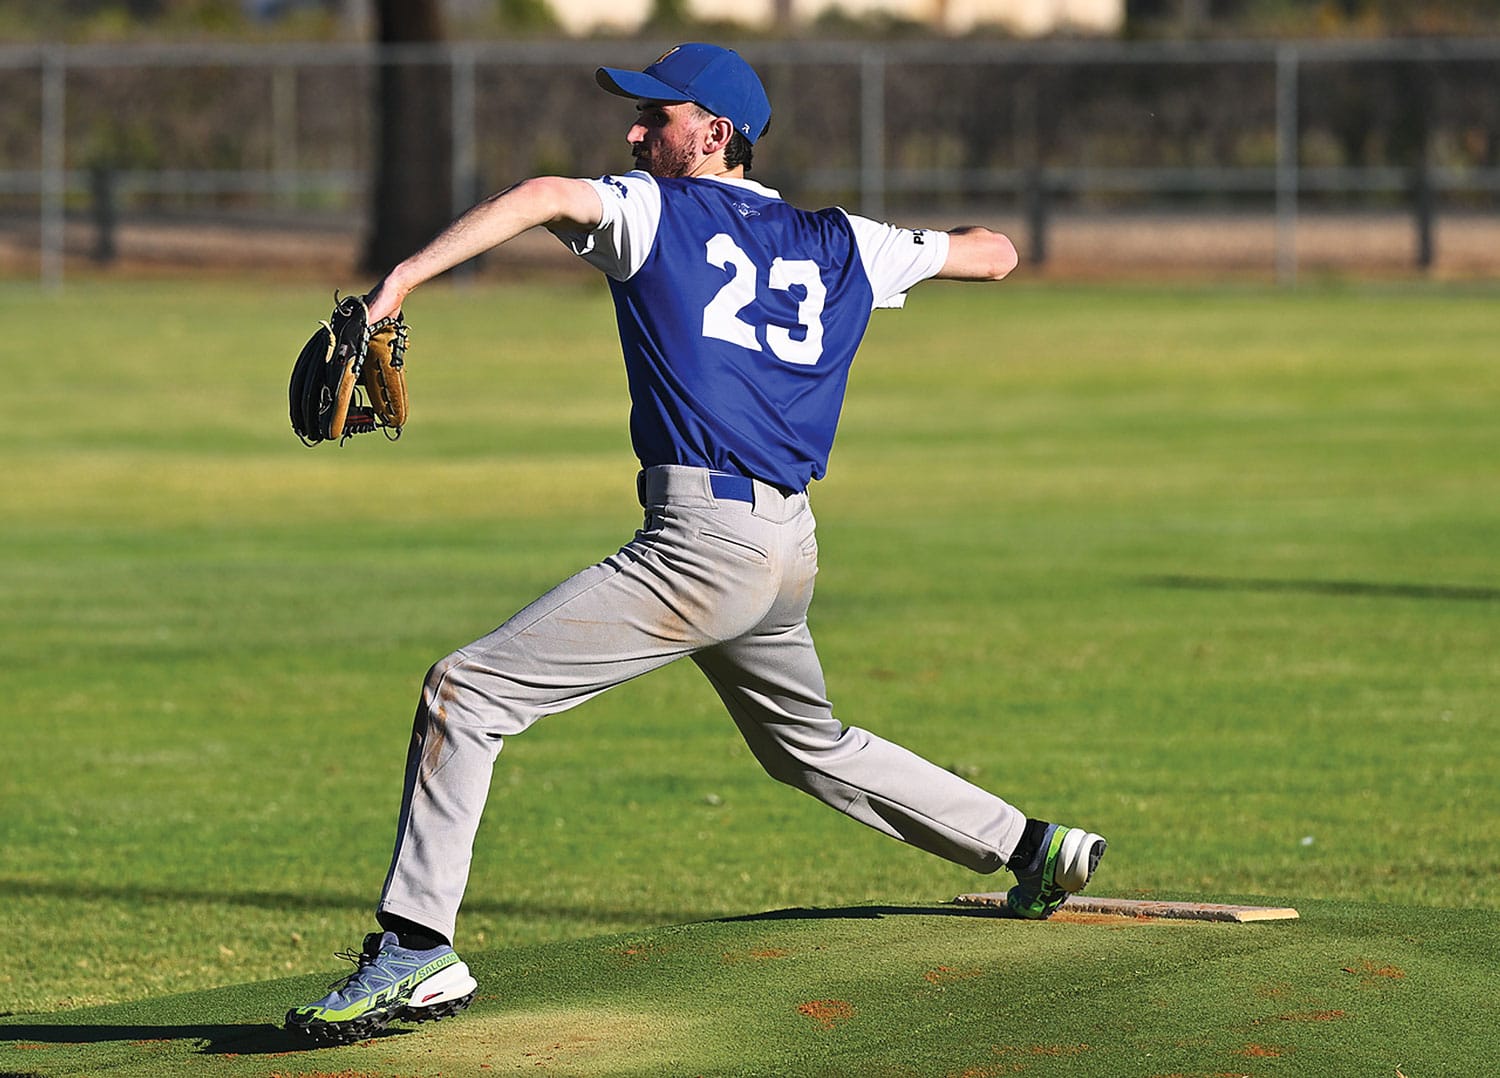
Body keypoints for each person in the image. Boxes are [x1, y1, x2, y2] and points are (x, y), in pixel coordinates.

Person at [285, 43, 1106, 1046]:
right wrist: (935, 241)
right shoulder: (842, 239)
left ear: (713, 134)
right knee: (810, 747)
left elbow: (546, 193)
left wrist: (397, 284)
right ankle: (1031, 844)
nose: (634, 133)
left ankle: (418, 950)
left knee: (468, 691)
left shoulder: (652, 211)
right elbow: (996, 252)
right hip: (787, 546)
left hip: (700, 545)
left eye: (655, 117)